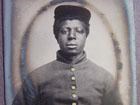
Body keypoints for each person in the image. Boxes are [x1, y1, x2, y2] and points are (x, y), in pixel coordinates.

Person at [12, 5, 123, 105]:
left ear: (86, 35)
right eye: (64, 31)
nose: (71, 36)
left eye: (79, 31)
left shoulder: (104, 79)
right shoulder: (36, 79)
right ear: (57, 35)